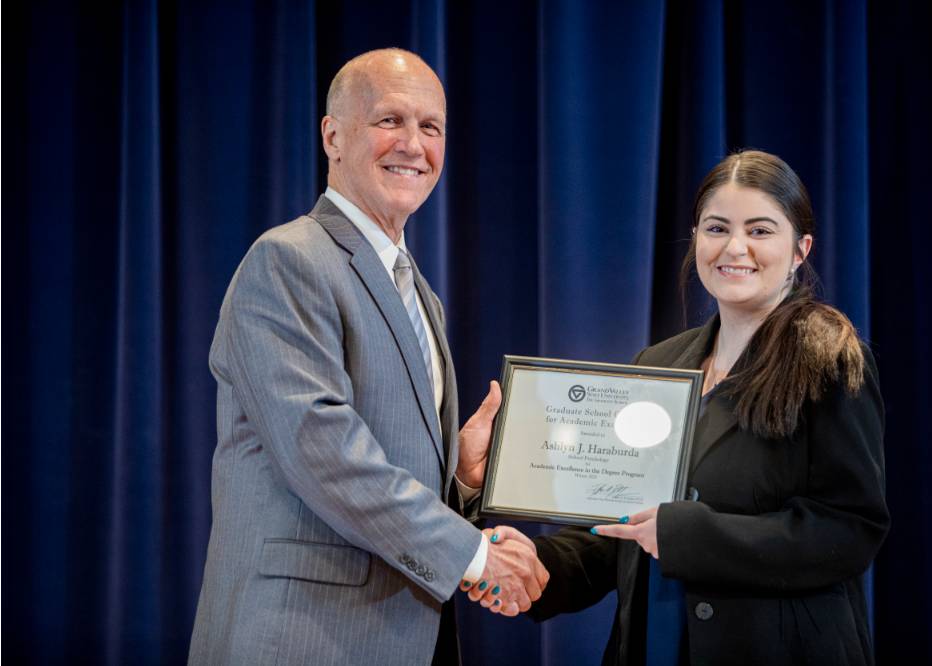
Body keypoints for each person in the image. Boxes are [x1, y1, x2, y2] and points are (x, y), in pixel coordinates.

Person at [188, 48, 547, 666]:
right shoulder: (289, 259)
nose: (414, 145)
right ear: (332, 136)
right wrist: (476, 556)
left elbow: (388, 459)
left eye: (431, 127)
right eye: (390, 120)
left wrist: (460, 475)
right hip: (301, 639)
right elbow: (322, 448)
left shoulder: (420, 294)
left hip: (398, 635)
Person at [474, 150, 890, 665]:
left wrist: (686, 535)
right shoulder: (658, 364)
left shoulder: (830, 361)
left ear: (800, 249)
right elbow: (621, 522)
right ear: (696, 239)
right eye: (717, 228)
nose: (735, 247)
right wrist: (537, 566)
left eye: (760, 231)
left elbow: (849, 529)